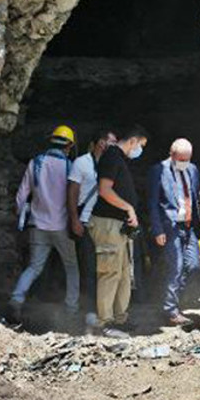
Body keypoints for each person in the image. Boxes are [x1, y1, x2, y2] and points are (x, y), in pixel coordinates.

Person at [10, 125, 80, 324]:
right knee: (72, 266)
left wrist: (20, 215)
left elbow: (21, 195)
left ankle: (16, 298)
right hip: (61, 227)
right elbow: (76, 197)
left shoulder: (36, 163)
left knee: (33, 267)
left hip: (38, 225)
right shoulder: (70, 166)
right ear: (68, 146)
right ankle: (72, 308)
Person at [89, 126, 147, 338]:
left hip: (119, 226)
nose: (140, 150)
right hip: (107, 224)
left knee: (123, 274)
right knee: (110, 273)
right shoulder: (112, 156)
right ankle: (105, 323)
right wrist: (128, 207)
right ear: (132, 140)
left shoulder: (119, 158)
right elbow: (105, 190)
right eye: (140, 145)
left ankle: (120, 317)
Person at [148, 138, 200, 327]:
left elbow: (195, 198)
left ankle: (174, 298)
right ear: (172, 155)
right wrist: (157, 229)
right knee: (175, 267)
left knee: (195, 265)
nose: (184, 162)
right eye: (181, 159)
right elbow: (153, 202)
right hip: (170, 227)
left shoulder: (193, 170)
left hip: (189, 227)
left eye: (187, 158)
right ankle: (170, 310)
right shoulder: (159, 170)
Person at [67, 129, 117, 315]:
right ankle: (88, 312)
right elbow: (72, 192)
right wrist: (74, 220)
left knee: (105, 270)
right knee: (88, 268)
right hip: (85, 223)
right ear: (100, 143)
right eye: (110, 143)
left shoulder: (112, 165)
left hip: (105, 225)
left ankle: (104, 310)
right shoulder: (82, 163)